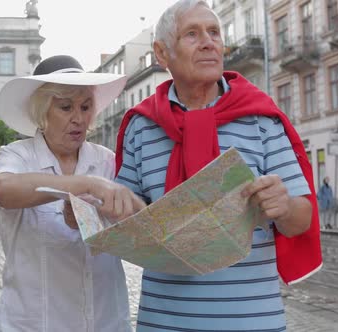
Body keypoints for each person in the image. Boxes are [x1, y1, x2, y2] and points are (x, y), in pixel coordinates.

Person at [114, 1, 322, 330]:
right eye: (192, 34)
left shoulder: (261, 119)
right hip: (164, 320)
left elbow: (300, 220)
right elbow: (123, 215)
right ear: (162, 52)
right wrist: (97, 208)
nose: (209, 42)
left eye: (214, 32)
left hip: (252, 320)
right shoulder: (141, 127)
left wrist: (283, 206)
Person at [0, 55, 145, 331]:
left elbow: (135, 225)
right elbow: (5, 191)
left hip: (104, 321)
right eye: (65, 107)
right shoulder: (17, 155)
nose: (78, 118)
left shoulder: (107, 161)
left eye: (85, 107)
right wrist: (85, 184)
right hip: (36, 323)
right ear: (42, 111)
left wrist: (94, 220)